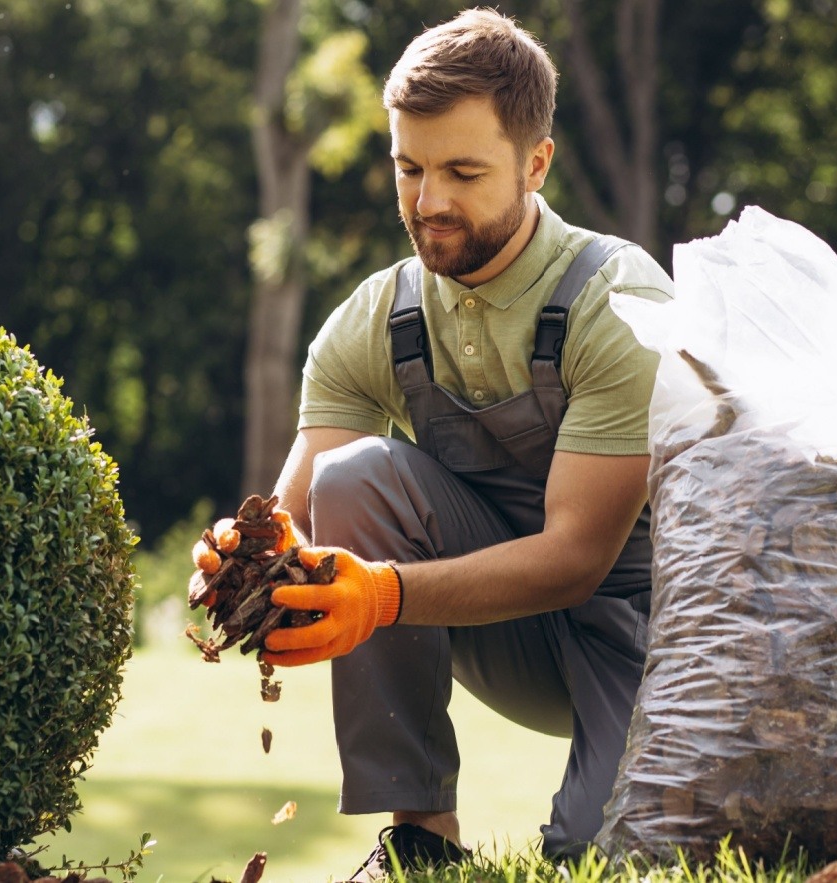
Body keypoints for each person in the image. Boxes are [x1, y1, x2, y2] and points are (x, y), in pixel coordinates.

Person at [193, 8, 673, 878]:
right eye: (409, 168)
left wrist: (378, 597)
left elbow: (574, 559)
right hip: (496, 630)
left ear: (536, 163)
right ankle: (422, 840)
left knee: (597, 852)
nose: (429, 202)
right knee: (356, 474)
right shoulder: (376, 319)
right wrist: (244, 557)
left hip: (642, 641)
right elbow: (301, 513)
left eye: (462, 170)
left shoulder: (619, 302)